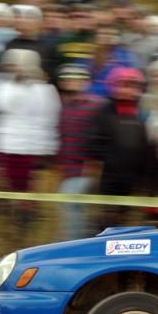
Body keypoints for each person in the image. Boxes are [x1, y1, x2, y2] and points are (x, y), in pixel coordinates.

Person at [0, 49, 60, 196]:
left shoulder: (45, 89)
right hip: (6, 143)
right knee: (8, 183)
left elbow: (48, 116)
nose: (15, 69)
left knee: (28, 185)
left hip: (31, 145)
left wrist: (47, 144)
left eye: (18, 65)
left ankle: (26, 209)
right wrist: (17, 86)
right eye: (11, 65)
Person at [93, 67, 156, 227]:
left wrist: (146, 177)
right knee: (107, 220)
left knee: (126, 219)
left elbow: (148, 144)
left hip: (135, 177)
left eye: (132, 85)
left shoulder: (143, 112)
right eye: (123, 85)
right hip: (109, 176)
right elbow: (96, 143)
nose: (127, 90)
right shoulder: (103, 112)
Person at [56, 63, 103, 240]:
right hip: (68, 169)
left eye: (76, 78)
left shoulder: (97, 106)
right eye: (66, 78)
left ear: (86, 82)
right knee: (76, 210)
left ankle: (74, 244)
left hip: (86, 169)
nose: (70, 82)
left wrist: (93, 166)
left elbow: (100, 139)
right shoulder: (64, 107)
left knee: (70, 204)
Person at [85, 24, 139, 98]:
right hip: (91, 94)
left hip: (117, 94)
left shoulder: (125, 55)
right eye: (103, 33)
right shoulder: (88, 53)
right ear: (96, 36)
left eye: (112, 34)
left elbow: (131, 77)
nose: (108, 37)